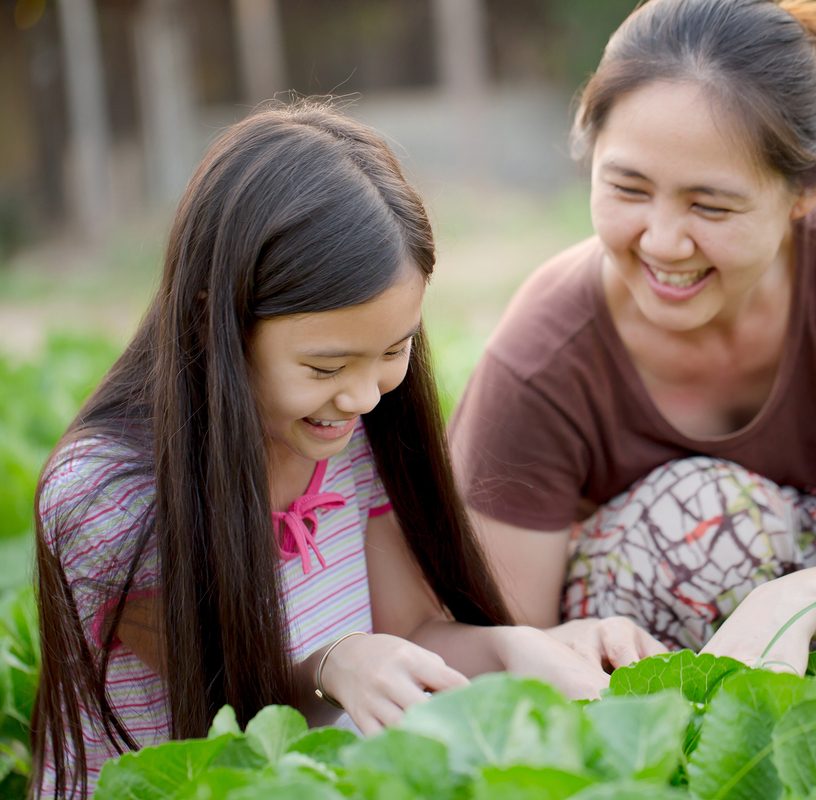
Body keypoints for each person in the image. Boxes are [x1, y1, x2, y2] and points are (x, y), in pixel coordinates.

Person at [31, 102, 608, 799]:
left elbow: (411, 632)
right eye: (327, 368)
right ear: (219, 318)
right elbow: (231, 716)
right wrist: (336, 661)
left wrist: (513, 651)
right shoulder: (108, 496)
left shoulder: (349, 436)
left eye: (395, 351)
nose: (365, 396)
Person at [450, 0, 816, 680]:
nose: (662, 241)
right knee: (703, 520)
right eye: (628, 189)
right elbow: (497, 639)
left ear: (808, 189)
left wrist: (791, 603)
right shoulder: (542, 357)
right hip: (637, 656)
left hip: (801, 587)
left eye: (710, 206)